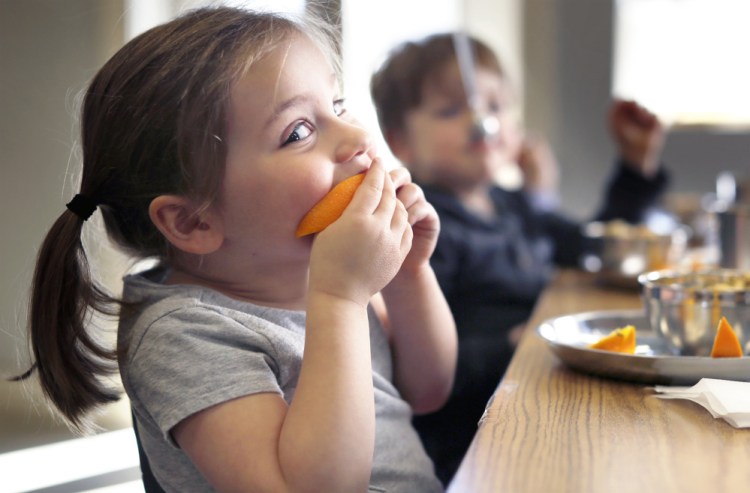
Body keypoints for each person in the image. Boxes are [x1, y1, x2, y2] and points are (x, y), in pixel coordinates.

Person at [17, 7, 458, 492]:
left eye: (337, 104)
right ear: (194, 221)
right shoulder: (185, 335)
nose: (356, 138)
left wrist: (408, 274)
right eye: (298, 132)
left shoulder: (319, 268)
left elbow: (427, 390)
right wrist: (341, 299)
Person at [370, 32, 668, 484]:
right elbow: (421, 373)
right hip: (481, 444)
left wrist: (635, 167)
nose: (481, 120)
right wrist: (512, 344)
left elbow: (597, 247)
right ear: (401, 142)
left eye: (495, 107)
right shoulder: (424, 231)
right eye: (452, 110)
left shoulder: (513, 205)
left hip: (547, 399)